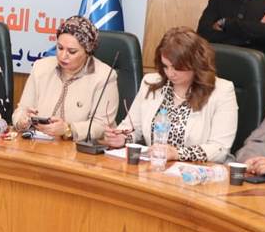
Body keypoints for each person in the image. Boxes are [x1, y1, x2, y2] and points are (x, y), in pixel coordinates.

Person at [100, 27, 238, 163]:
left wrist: (177, 153)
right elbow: (133, 127)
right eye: (166, 66)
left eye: (177, 68)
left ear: (195, 63)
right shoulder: (151, 82)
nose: (170, 73)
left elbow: (220, 148)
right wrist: (122, 138)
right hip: (155, 166)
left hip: (198, 171)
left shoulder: (222, 91)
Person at [12, 16, 117, 142]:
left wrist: (68, 129)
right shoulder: (40, 67)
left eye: (72, 51)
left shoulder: (105, 76)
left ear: (87, 51)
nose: (63, 56)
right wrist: (22, 120)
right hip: (39, 145)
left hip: (79, 149)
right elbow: (21, 110)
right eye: (60, 48)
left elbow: (102, 126)